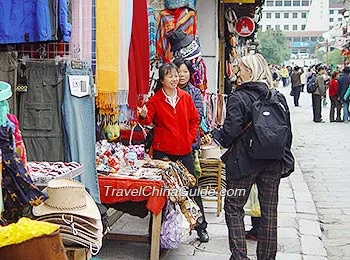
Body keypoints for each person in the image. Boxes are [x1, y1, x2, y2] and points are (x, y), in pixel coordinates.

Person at [212, 53, 292, 260]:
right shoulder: (277, 96)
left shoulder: (239, 97)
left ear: (250, 71)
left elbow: (230, 134)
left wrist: (215, 134)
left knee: (234, 207)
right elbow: (287, 132)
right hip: (272, 161)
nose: (238, 73)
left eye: (240, 69)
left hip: (244, 162)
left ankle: (240, 256)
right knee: (269, 212)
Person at [137, 63, 209, 242]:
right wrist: (143, 114)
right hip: (163, 154)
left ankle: (201, 227)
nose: (175, 78)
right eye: (170, 76)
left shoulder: (185, 97)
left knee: (192, 189)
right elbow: (147, 120)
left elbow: (195, 119)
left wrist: (191, 137)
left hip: (185, 151)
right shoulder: (155, 100)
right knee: (162, 194)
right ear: (162, 80)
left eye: (176, 75)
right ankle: (156, 234)